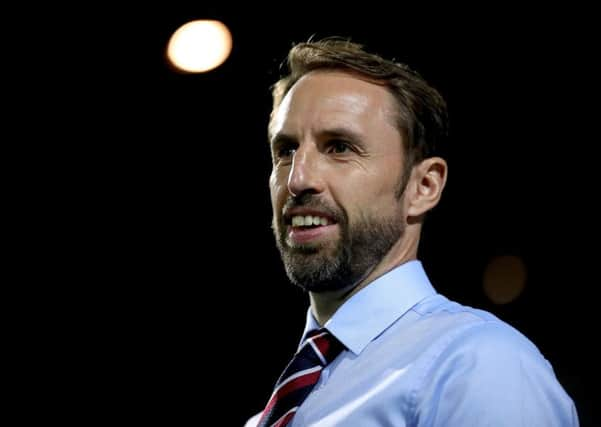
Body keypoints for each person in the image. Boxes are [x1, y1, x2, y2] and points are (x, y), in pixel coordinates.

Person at [245, 37, 578, 427]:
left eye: (339, 147)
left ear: (424, 187)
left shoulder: (478, 366)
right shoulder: (269, 415)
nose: (298, 179)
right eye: (285, 151)